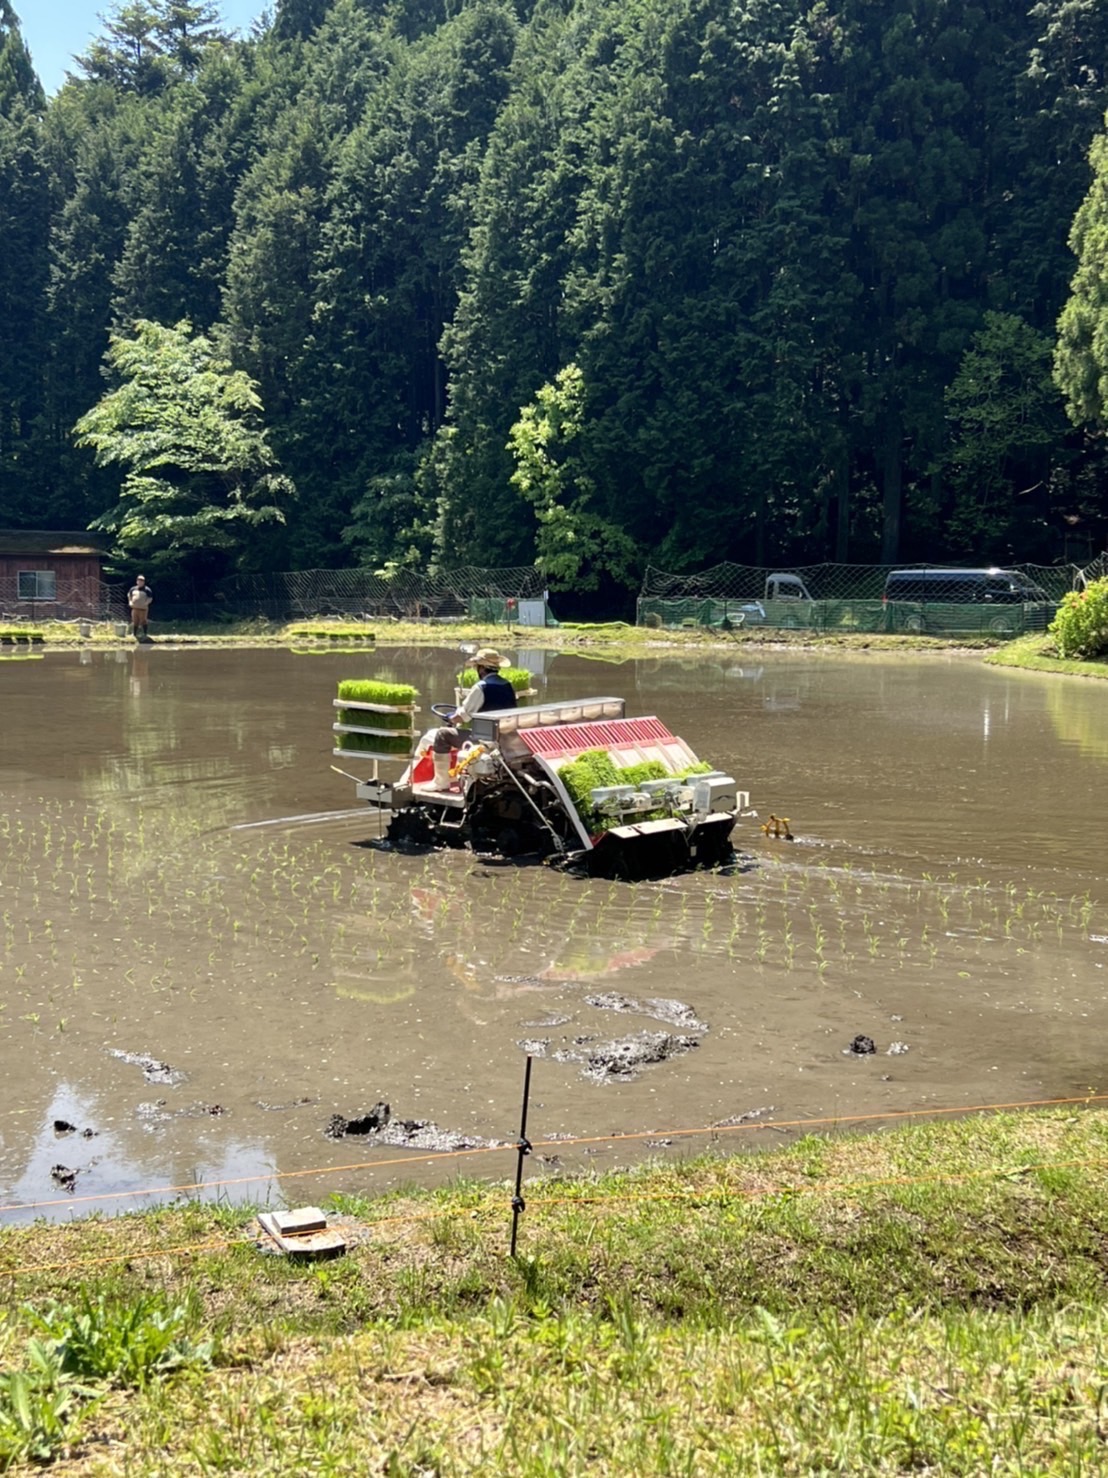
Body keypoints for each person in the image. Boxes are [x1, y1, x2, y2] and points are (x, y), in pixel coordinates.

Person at [429, 648, 515, 789]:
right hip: (504, 737)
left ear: (481, 669)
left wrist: (451, 718)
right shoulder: (507, 685)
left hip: (485, 741)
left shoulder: (481, 688)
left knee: (442, 734)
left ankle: (441, 782)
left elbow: (462, 716)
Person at [127, 575, 153, 640]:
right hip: (135, 608)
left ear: (144, 582)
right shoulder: (133, 589)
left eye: (141, 581)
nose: (140, 582)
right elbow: (129, 595)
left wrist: (146, 603)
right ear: (137, 581)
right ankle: (134, 634)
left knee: (143, 621)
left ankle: (145, 634)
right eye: (139, 581)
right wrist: (130, 602)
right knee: (135, 621)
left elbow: (150, 598)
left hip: (143, 609)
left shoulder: (147, 590)